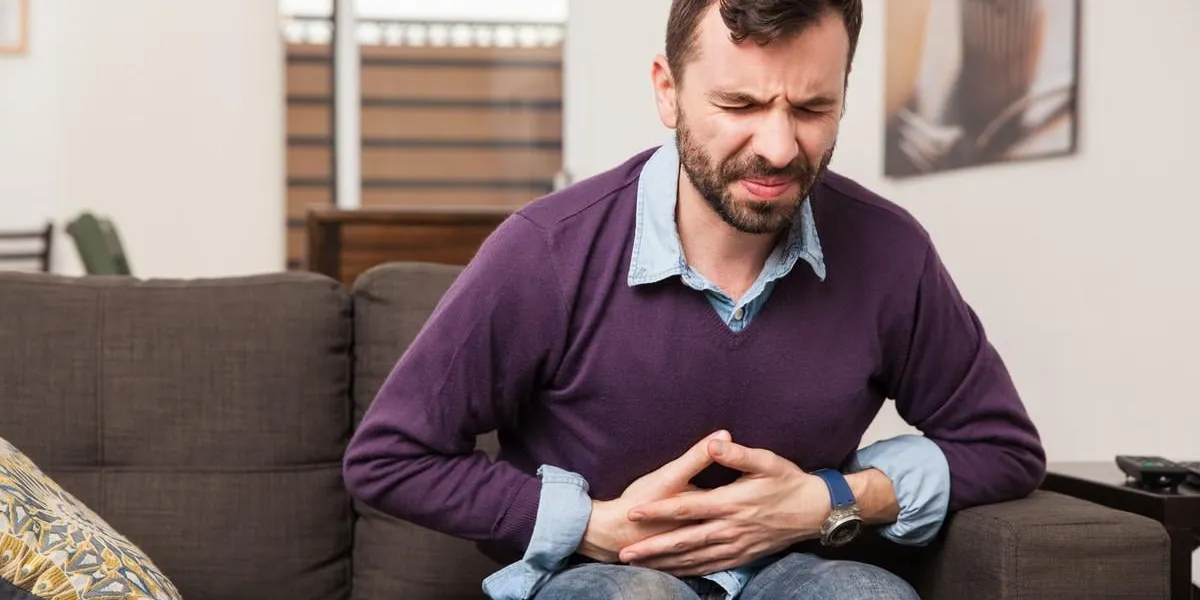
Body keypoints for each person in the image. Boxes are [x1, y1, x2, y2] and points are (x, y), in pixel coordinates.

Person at [342, 0, 1046, 598]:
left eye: (812, 108)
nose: (777, 147)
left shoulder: (891, 252)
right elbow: (390, 456)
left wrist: (827, 499)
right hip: (608, 573)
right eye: (739, 103)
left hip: (797, 569)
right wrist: (590, 523)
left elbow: (1001, 447)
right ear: (667, 89)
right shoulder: (545, 249)